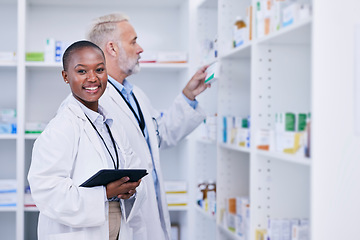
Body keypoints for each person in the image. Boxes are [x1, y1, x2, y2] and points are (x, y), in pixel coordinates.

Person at [87, 13, 210, 240]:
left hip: (149, 213)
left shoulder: (136, 95)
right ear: (112, 48)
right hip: (120, 219)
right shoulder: (96, 102)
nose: (140, 48)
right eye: (133, 41)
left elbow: (159, 135)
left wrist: (189, 96)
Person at [28, 40, 146, 240]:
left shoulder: (111, 124)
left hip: (117, 226)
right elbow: (46, 192)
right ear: (66, 76)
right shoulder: (60, 128)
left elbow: (131, 164)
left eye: (99, 69)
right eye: (82, 71)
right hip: (78, 232)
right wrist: (105, 193)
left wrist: (129, 189)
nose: (93, 78)